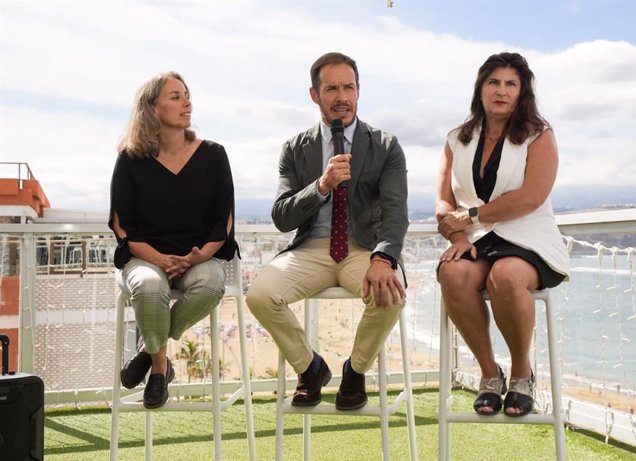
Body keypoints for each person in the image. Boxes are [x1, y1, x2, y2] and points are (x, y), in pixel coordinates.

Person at [246, 52, 408, 411]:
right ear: (314, 94)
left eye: (349, 87)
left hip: (362, 248)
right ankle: (310, 368)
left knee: (391, 294)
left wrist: (384, 257)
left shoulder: (385, 145)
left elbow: (396, 213)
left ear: (359, 91)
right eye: (331, 88)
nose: (341, 97)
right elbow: (281, 216)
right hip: (310, 249)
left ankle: (354, 371)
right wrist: (321, 185)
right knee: (259, 295)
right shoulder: (295, 148)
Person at [435, 52, 569, 417]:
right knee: (453, 272)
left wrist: (472, 215)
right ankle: (490, 374)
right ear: (480, 89)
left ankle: (522, 373)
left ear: (522, 92)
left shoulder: (539, 135)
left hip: (527, 238)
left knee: (506, 275)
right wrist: (458, 236)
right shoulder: (456, 138)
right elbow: (444, 201)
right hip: (476, 239)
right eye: (494, 82)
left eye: (511, 84)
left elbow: (532, 197)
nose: (502, 91)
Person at [109, 71, 238, 409]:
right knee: (150, 288)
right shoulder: (130, 159)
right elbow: (123, 226)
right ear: (153, 109)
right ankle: (159, 369)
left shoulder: (213, 154)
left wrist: (198, 257)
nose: (187, 102)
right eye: (175, 96)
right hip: (144, 258)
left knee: (210, 286)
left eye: (187, 94)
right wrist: (158, 259)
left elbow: (223, 220)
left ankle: (147, 351)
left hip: (200, 258)